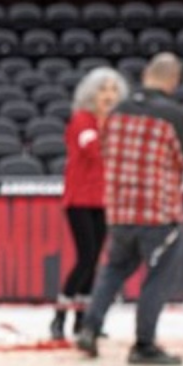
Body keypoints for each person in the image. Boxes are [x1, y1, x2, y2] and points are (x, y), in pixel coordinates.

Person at [75, 54, 183, 364]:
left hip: (119, 210)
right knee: (158, 278)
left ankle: (89, 329)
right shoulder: (174, 115)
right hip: (158, 212)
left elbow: (102, 150)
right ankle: (144, 345)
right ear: (174, 80)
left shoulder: (116, 112)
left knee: (112, 271)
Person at [49, 67, 128, 340]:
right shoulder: (82, 120)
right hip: (80, 199)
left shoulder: (117, 124)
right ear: (91, 94)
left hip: (103, 200)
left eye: (113, 90)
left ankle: (82, 321)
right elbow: (95, 151)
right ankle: (59, 317)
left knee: (94, 260)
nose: (109, 95)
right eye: (103, 89)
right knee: (85, 258)